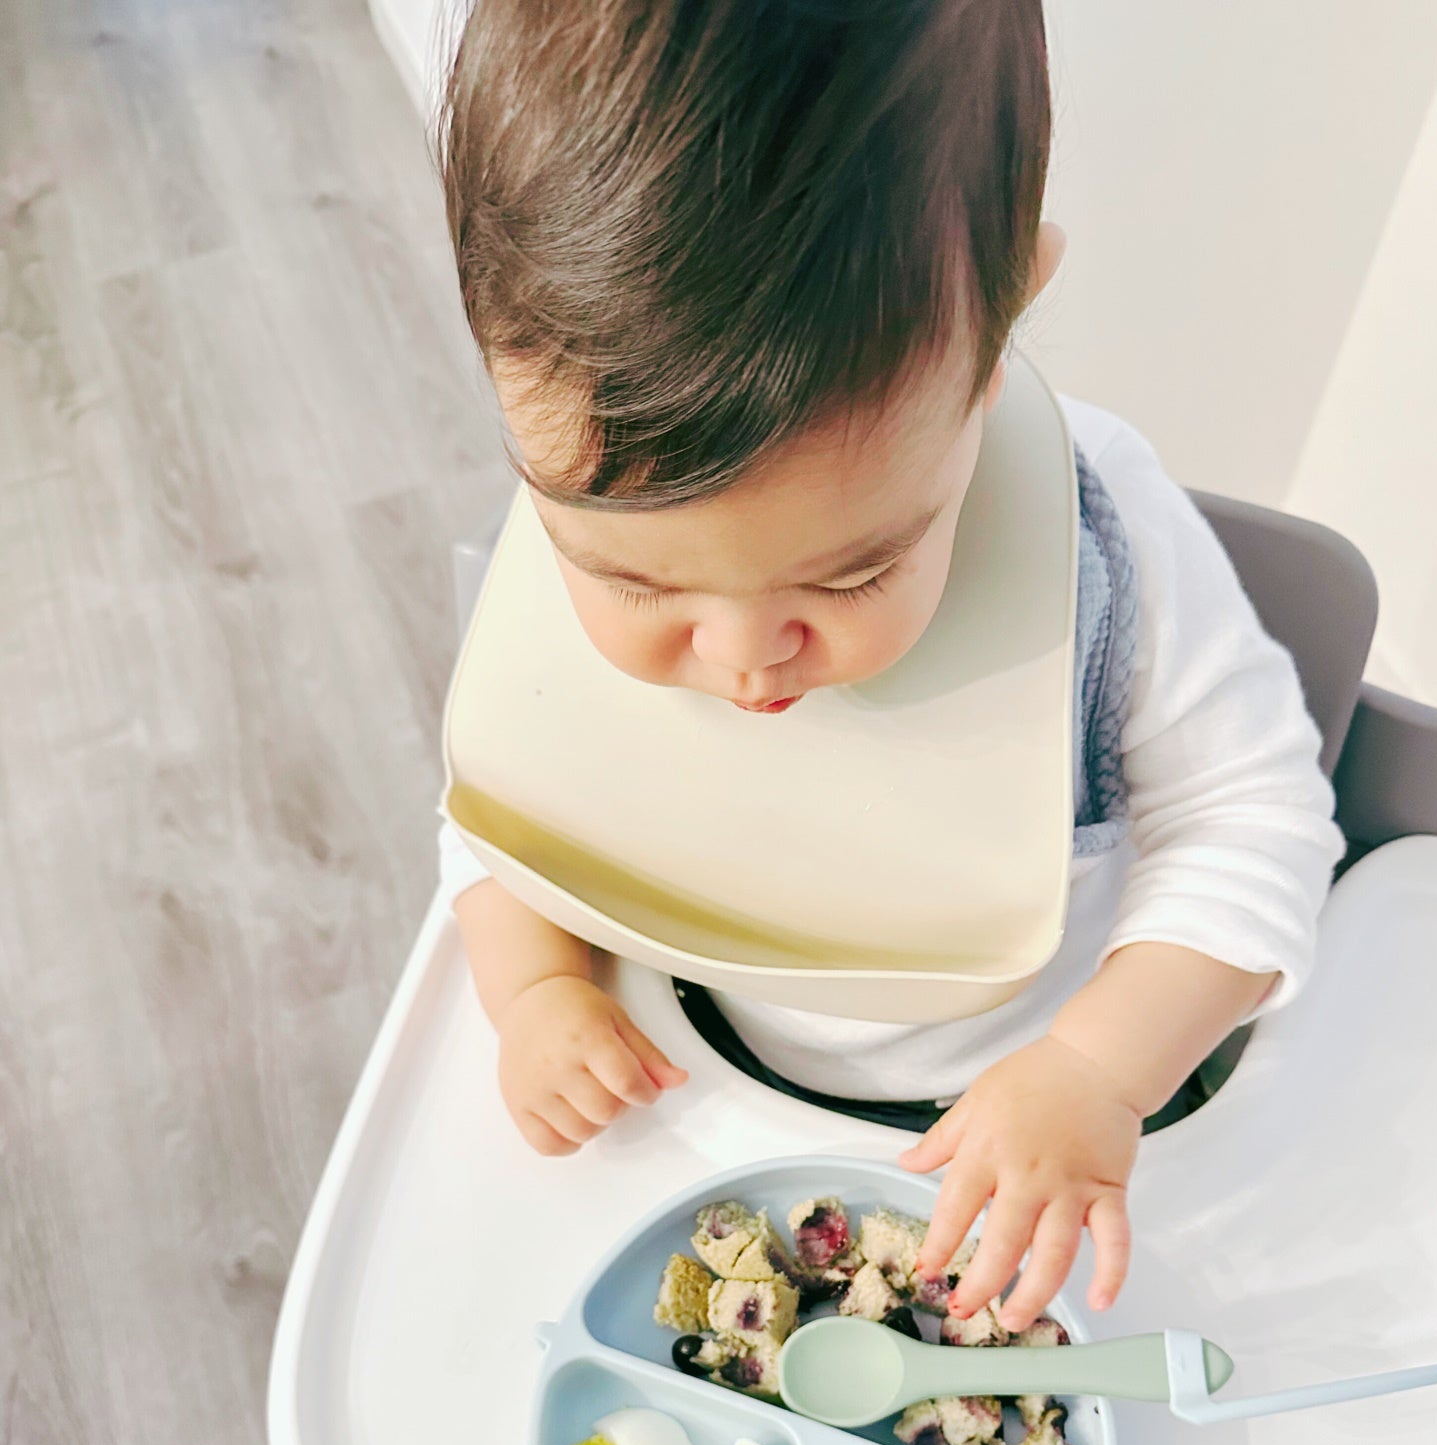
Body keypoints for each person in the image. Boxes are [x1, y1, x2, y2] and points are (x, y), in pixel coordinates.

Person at [434, 0, 1342, 1330]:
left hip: (1039, 1129)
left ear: (997, 337)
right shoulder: (572, 506)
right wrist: (534, 988)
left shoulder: (1109, 545)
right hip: (708, 1101)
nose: (746, 657)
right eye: (635, 581)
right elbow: (498, 814)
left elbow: (1260, 826)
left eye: (853, 573)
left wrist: (1096, 1069)